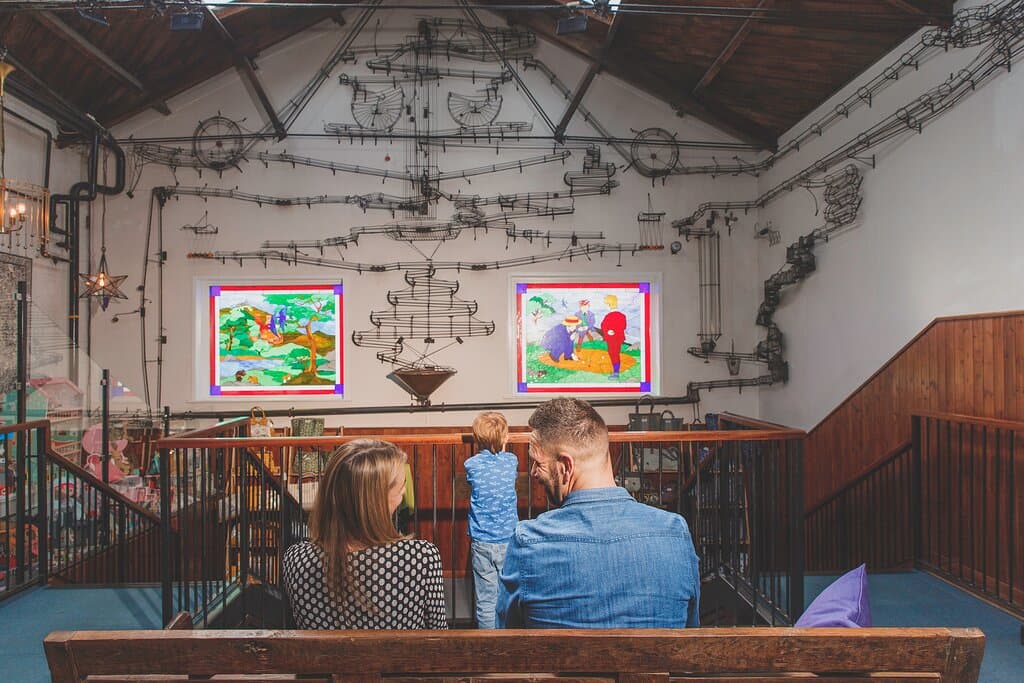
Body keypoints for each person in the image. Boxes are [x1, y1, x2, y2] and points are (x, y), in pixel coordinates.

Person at [496, 397, 700, 629]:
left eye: (537, 462)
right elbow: (690, 630)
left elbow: (507, 638)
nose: (532, 472)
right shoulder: (675, 532)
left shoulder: (528, 542)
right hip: (654, 666)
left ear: (566, 466)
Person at [282, 439, 447, 629]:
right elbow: (438, 635)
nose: (403, 492)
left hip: (326, 660)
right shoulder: (422, 556)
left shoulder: (296, 559)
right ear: (377, 499)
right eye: (401, 486)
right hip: (399, 660)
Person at [465, 411, 520, 629]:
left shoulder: (471, 464)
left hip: (481, 541)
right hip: (508, 539)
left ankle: (487, 642)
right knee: (508, 594)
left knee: (486, 599)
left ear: (477, 439)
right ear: (505, 438)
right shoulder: (511, 461)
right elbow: (504, 458)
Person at [599, 294, 627, 379]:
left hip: (613, 339)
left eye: (607, 304)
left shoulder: (609, 316)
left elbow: (603, 325)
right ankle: (615, 371)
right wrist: (609, 331)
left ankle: (616, 373)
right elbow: (623, 326)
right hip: (616, 338)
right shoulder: (622, 315)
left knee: (614, 354)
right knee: (614, 354)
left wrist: (610, 331)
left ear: (609, 304)